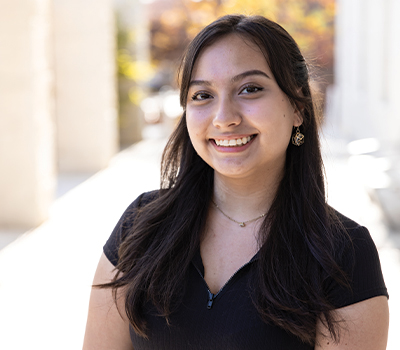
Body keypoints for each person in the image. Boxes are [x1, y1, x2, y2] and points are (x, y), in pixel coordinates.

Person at [83, 14, 389, 350]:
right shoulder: (141, 224)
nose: (224, 118)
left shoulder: (344, 254)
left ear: (299, 106)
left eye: (250, 89)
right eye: (203, 95)